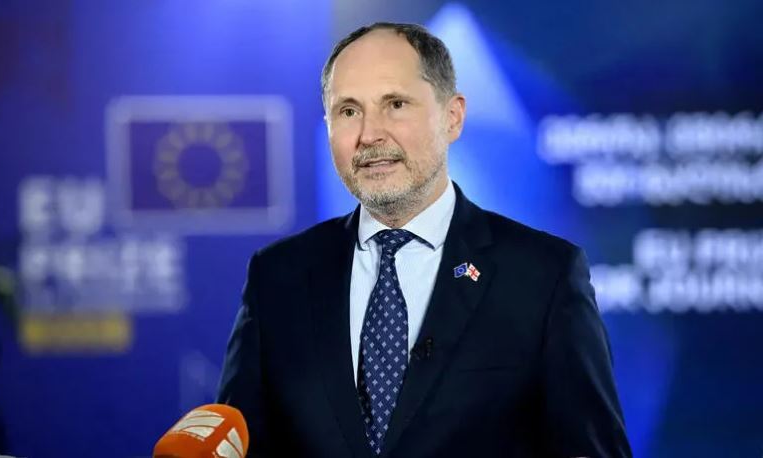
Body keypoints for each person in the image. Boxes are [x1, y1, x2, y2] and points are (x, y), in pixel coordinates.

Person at [217, 22, 632, 457]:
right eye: (348, 111)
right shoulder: (277, 277)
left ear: (453, 117)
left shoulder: (543, 275)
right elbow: (237, 442)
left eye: (395, 104)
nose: (370, 135)